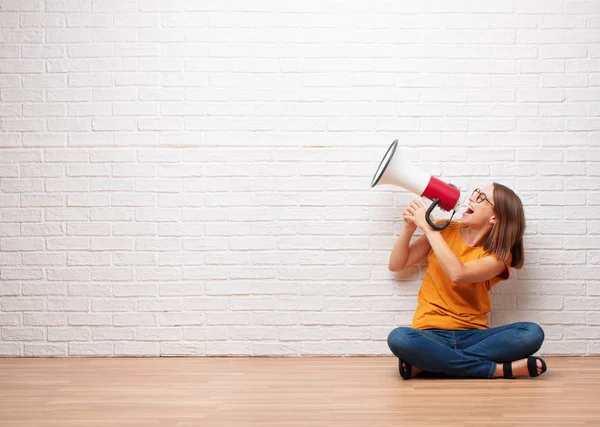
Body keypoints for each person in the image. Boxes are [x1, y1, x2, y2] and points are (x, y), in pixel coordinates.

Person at [386, 183, 547, 379]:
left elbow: (458, 274)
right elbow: (396, 264)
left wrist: (429, 229)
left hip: (474, 336)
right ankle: (497, 370)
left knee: (531, 332)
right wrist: (408, 228)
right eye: (476, 193)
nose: (472, 198)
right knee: (400, 338)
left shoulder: (499, 257)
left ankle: (428, 364)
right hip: (430, 334)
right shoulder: (444, 230)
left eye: (481, 198)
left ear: (494, 217)